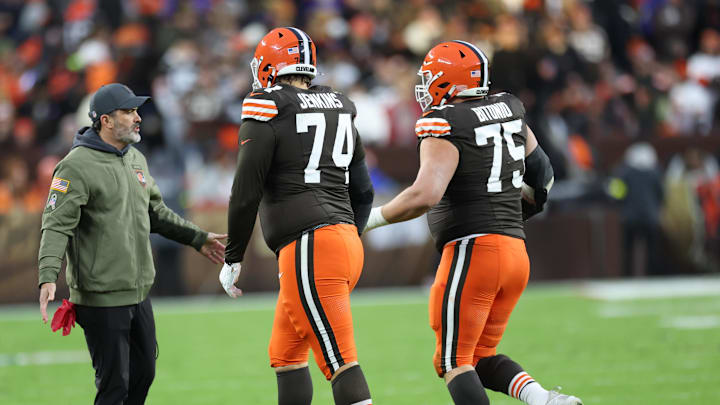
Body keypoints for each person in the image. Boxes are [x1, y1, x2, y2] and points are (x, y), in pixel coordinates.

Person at [364, 41, 583, 405]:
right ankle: (546, 400)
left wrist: (368, 220)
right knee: (478, 357)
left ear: (449, 80)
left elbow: (425, 195)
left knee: (451, 361)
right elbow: (543, 176)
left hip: (473, 251)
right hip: (514, 251)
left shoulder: (445, 121)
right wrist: (515, 214)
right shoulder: (509, 108)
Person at [37, 83, 227, 405]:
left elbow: (157, 213)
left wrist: (197, 238)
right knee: (114, 386)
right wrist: (47, 275)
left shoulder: (136, 158)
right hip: (100, 296)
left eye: (136, 111)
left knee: (143, 374)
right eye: (128, 111)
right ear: (106, 121)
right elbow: (56, 224)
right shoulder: (76, 165)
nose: (137, 118)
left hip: (138, 292)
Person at [219, 27, 374, 405]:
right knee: (286, 354)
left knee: (339, 360)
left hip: (310, 244)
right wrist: (347, 234)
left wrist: (233, 254)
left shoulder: (267, 104)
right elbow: (364, 191)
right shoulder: (339, 104)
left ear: (270, 65)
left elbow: (245, 192)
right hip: (343, 239)